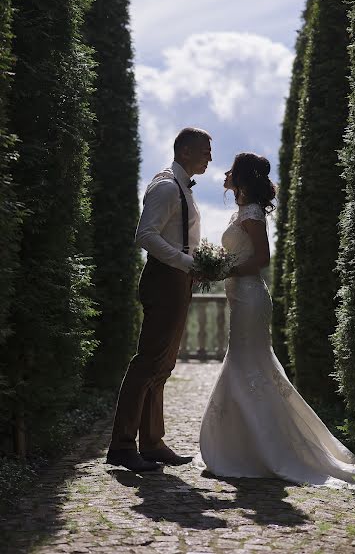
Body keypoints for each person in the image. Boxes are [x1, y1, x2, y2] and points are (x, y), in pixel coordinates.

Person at [196, 152, 355, 488]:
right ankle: (245, 446)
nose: (225, 174)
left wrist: (222, 268)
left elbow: (262, 258)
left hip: (250, 297)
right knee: (247, 364)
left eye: (231, 170)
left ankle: (262, 450)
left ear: (242, 179)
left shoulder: (253, 214)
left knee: (248, 365)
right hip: (239, 296)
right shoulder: (242, 212)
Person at [106, 127, 212, 472]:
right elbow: (145, 235)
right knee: (148, 361)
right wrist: (185, 262)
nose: (209, 157)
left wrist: (193, 267)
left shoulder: (181, 187)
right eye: (204, 151)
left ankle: (152, 442)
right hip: (164, 279)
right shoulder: (166, 186)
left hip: (177, 280)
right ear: (184, 151)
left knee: (163, 365)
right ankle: (122, 446)